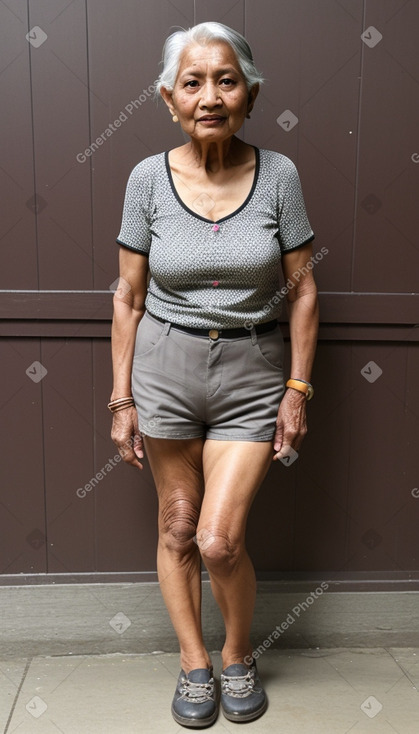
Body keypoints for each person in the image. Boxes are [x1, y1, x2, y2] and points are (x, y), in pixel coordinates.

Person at [110, 21, 319, 728]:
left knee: (217, 539)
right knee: (176, 528)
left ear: (249, 94)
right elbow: (128, 297)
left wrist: (296, 387)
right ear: (168, 98)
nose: (209, 96)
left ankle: (236, 654)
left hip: (252, 368)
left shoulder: (279, 174)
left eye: (225, 80)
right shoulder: (145, 177)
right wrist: (120, 399)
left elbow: (305, 288)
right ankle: (192, 663)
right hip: (163, 366)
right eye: (192, 83)